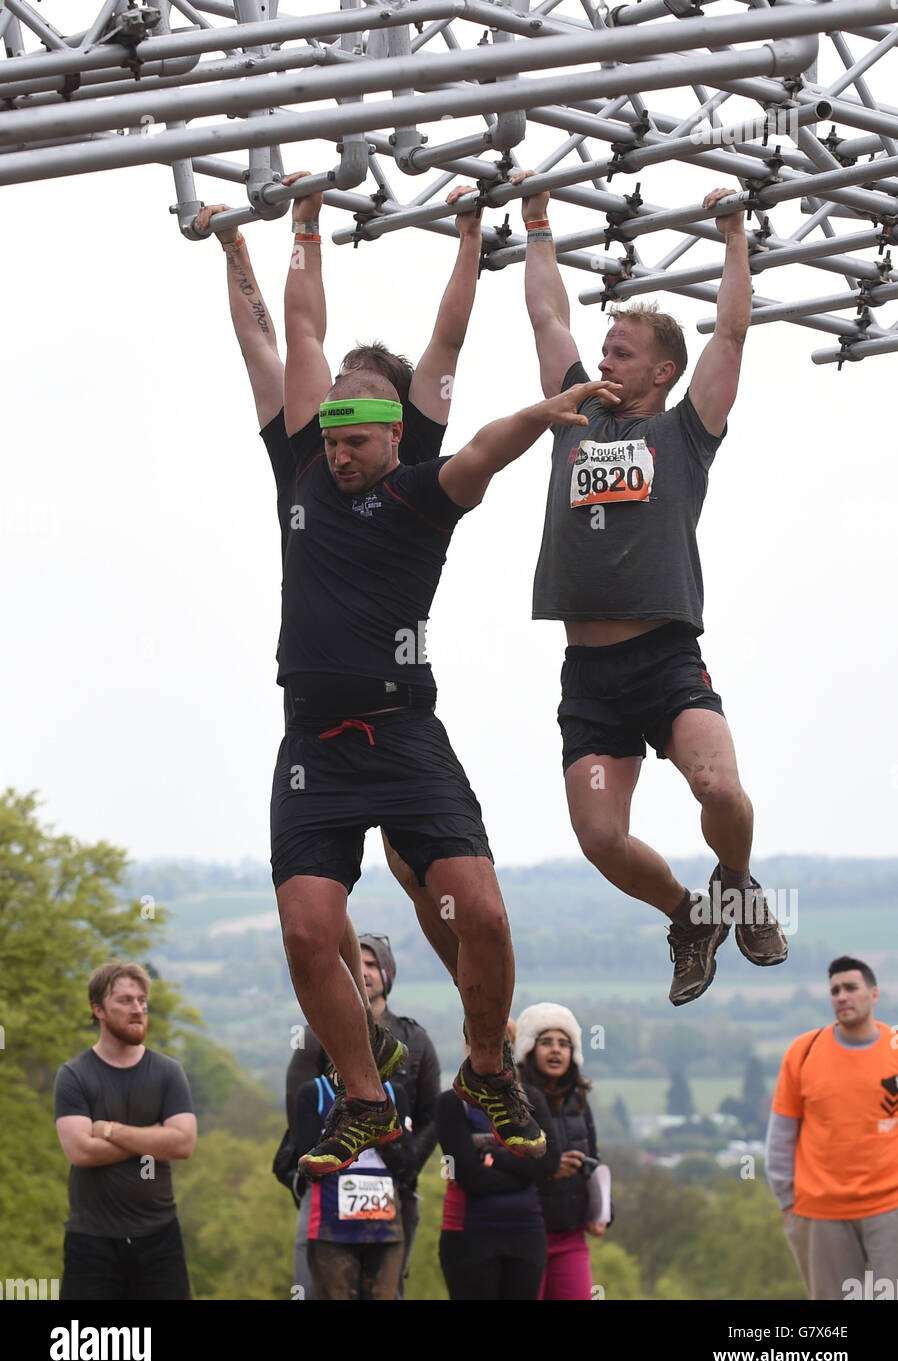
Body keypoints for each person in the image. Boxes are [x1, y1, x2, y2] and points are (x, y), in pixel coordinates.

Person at [272, 356, 609, 1175]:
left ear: (392, 435)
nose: (339, 457)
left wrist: (546, 409)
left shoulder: (420, 493)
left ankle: (489, 1069)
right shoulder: (307, 476)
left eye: (354, 443)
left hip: (407, 735)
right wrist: (301, 226)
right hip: (315, 745)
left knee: (482, 917)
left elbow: (486, 447)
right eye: (332, 443)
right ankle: (363, 1099)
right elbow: (297, 332)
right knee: (307, 930)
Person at [194, 176, 479, 1052]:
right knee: (358, 884)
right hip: (321, 717)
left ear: (394, 421)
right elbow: (275, 341)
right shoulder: (310, 456)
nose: (338, 417)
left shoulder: (417, 455)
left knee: (425, 875)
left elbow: (445, 340)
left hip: (395, 706)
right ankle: (379, 1049)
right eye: (335, 406)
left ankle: (478, 1021)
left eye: (361, 403)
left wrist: (470, 236)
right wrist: (251, 242)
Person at [513, 170, 789, 1007]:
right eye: (602, 354)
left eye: (621, 355)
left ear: (662, 370)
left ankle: (736, 879)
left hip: (666, 658)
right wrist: (536, 221)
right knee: (600, 837)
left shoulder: (685, 430)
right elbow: (546, 314)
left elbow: (732, 335)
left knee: (720, 789)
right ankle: (690, 915)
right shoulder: (574, 415)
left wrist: (735, 237)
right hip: (589, 676)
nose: (602, 364)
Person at [284, 932, 441, 1295]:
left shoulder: (416, 1040)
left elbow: (432, 1115)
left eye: (372, 965)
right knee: (315, 1288)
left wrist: (406, 1165)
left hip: (395, 1187)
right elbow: (298, 1106)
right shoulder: (315, 1035)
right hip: (327, 1186)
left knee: (388, 1291)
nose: (364, 972)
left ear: (387, 975)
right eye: (357, 964)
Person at [54, 961, 197, 1300]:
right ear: (98, 1010)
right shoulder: (73, 1076)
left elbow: (184, 1143)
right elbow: (80, 1152)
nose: (138, 1009)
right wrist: (154, 1137)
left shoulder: (168, 1072)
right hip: (91, 1243)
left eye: (142, 1001)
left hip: (160, 1239)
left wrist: (110, 1130)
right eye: (126, 1001)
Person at [766, 956, 898, 1301]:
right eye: (835, 990)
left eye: (851, 988)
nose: (842, 996)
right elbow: (781, 1135)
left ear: (874, 994)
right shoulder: (804, 1052)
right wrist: (788, 1204)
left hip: (890, 1206)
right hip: (820, 1211)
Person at [437, 1020, 557, 1300]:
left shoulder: (533, 1100)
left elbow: (548, 1165)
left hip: (526, 1233)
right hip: (469, 1234)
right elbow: (468, 1175)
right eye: (479, 1043)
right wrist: (522, 1166)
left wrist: (493, 1157)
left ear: (511, 1049)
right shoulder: (452, 1104)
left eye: (501, 1044)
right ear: (467, 1046)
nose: (490, 1051)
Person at [294, 1062, 416, 1300]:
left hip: (385, 1231)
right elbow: (309, 1167)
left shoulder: (395, 1093)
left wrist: (374, 1126)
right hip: (331, 1230)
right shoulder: (314, 1093)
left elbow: (407, 1165)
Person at [515, 1003, 606, 1301]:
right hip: (525, 1233)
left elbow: (594, 1163)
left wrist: (605, 1212)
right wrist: (549, 1169)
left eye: (564, 1044)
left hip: (571, 1235)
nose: (556, 1051)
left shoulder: (579, 1101)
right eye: (546, 1042)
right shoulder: (515, 1102)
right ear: (529, 1049)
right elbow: (504, 1164)